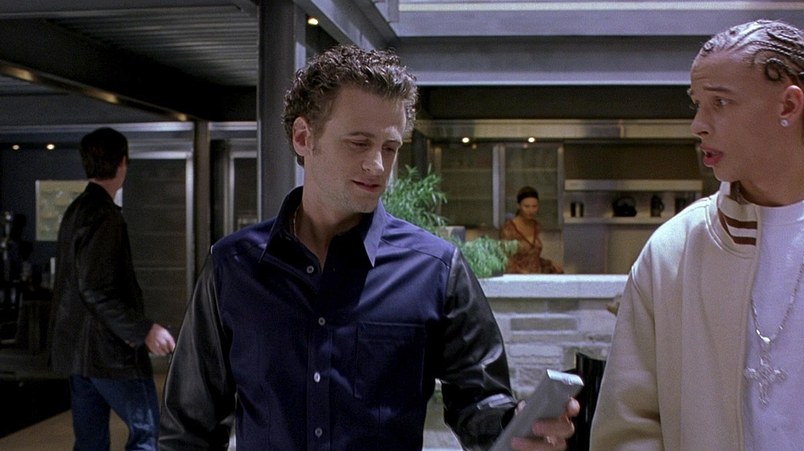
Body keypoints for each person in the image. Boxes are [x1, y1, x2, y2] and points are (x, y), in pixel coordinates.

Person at [159, 45, 578, 450]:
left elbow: (481, 403)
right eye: (359, 143)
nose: (378, 166)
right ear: (304, 137)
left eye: (389, 148)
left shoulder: (436, 268)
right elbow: (188, 430)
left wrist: (519, 429)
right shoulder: (233, 266)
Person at [590, 19, 804, 449]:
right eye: (697, 105)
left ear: (788, 105)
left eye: (721, 102)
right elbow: (629, 425)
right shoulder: (672, 253)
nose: (698, 125)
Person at [48, 127, 177, 450]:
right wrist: (144, 330)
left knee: (90, 442)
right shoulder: (105, 216)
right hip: (109, 354)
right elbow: (95, 289)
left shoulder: (75, 211)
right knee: (148, 434)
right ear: (123, 163)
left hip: (78, 354)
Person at [501, 186, 563, 274]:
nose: (531, 210)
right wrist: (525, 274)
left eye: (534, 206)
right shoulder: (508, 229)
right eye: (526, 206)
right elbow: (505, 261)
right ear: (518, 206)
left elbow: (532, 257)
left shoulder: (537, 226)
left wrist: (549, 264)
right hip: (518, 278)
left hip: (536, 277)